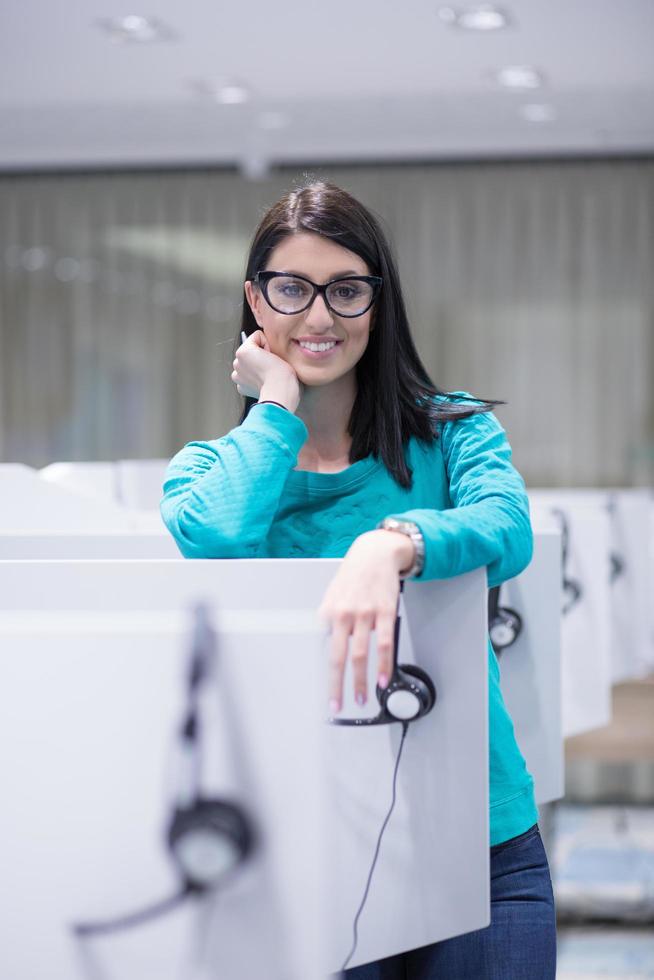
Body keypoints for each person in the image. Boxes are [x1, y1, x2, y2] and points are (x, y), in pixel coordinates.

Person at [160, 179, 556, 979]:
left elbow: (507, 531)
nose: (317, 317)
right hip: (306, 845)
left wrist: (391, 544)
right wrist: (277, 403)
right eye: (291, 289)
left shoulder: (454, 434)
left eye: (346, 290)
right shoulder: (213, 468)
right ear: (254, 301)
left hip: (478, 836)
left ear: (378, 303)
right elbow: (216, 537)